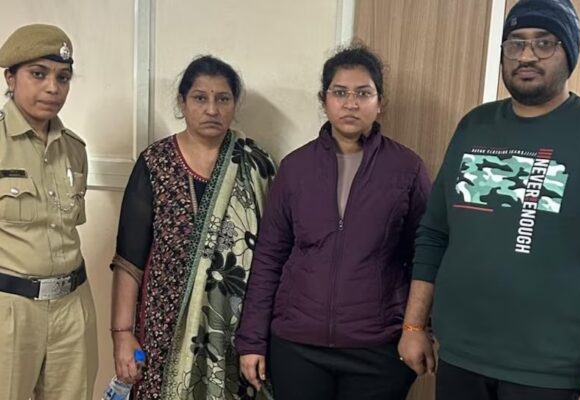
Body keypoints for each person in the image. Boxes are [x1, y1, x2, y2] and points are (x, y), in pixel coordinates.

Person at [398, 1, 580, 399]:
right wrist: (414, 326)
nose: (527, 55)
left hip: (553, 373)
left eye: (544, 43)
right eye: (516, 43)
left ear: (569, 53)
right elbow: (434, 233)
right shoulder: (474, 125)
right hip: (460, 358)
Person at [236, 45, 430, 400]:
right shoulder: (295, 169)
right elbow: (269, 257)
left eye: (363, 93)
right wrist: (252, 340)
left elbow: (426, 257)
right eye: (340, 93)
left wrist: (418, 329)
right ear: (324, 101)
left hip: (378, 348)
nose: (351, 103)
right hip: (298, 346)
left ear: (380, 102)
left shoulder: (407, 169)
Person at [110, 55, 276, 400]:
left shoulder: (256, 164)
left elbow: (273, 258)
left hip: (235, 331)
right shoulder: (156, 162)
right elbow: (129, 260)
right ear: (182, 102)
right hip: (164, 327)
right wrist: (122, 334)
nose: (212, 109)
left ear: (234, 104)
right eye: (200, 98)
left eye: (223, 98)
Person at [0, 24, 97, 400]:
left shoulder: (74, 148)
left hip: (72, 305)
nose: (53, 88)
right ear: (10, 78)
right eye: (38, 74)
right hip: (10, 308)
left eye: (63, 77)